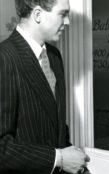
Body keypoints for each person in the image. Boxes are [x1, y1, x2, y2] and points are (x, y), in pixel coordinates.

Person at [0, 0, 89, 173]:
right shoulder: (4, 58)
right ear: (38, 15)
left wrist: (74, 160)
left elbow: (54, 126)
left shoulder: (54, 56)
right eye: (62, 14)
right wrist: (58, 158)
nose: (67, 22)